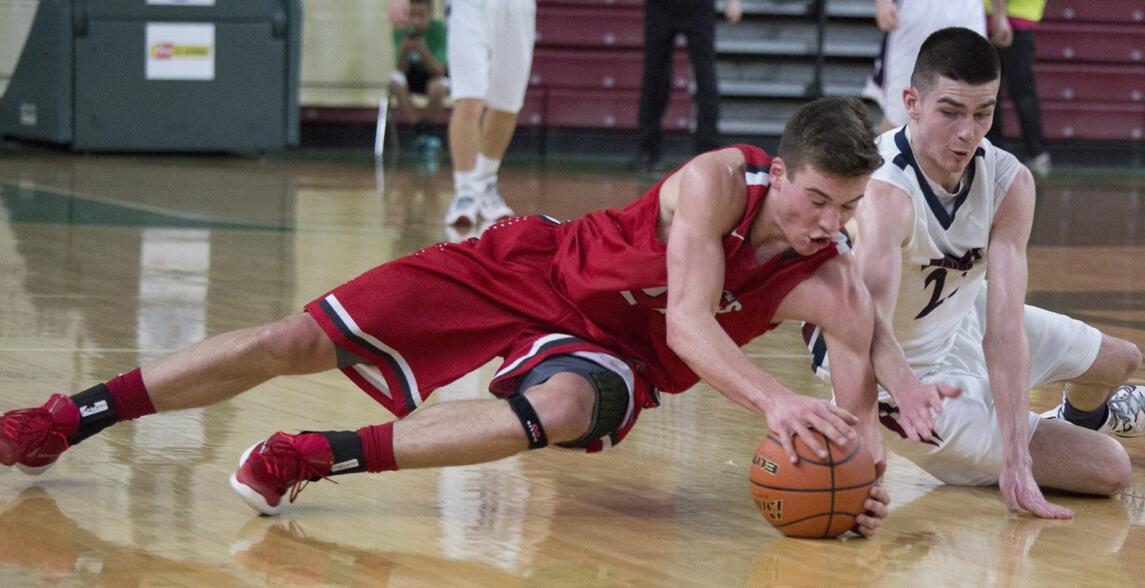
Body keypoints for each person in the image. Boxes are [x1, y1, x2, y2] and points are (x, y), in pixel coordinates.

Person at [0, 98, 943, 537]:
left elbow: (860, 362)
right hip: (526, 266)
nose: (825, 223)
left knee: (566, 407)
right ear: (778, 171)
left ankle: (311, 455)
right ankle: (66, 420)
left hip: (615, 352)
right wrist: (777, 402)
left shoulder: (829, 273)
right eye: (814, 199)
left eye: (843, 210)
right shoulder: (712, 184)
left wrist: (855, 470)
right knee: (293, 338)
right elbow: (696, 322)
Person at [803, 28, 1145, 518]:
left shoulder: (1008, 181)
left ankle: (1081, 416)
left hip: (958, 315)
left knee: (1122, 358)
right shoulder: (884, 194)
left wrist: (1018, 456)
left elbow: (1005, 330)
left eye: (984, 113)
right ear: (911, 102)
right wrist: (864, 449)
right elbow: (862, 335)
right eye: (950, 112)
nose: (967, 132)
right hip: (900, 374)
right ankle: (1017, 432)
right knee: (1109, 469)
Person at [439, 0, 535, 225]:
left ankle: (484, 183)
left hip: (517, 7)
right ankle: (465, 191)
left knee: (507, 104)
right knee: (468, 97)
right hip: (469, 7)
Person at [632, 0, 742, 172]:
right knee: (655, 76)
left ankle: (708, 151)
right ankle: (648, 150)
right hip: (661, 6)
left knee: (705, 76)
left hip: (697, 6)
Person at [874, 0, 1001, 130]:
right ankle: (887, 150)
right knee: (900, 110)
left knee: (974, 101)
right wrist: (883, 3)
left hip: (968, 13)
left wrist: (999, 14)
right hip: (916, 17)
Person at [985, 0, 1051, 177]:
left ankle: (998, 151)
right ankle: (996, 151)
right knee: (997, 90)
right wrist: (1000, 15)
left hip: (1012, 18)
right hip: (1003, 18)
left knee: (1008, 90)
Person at [387, 0, 449, 165]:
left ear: (430, 12)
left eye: (420, 16)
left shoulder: (439, 30)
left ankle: (428, 130)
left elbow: (439, 70)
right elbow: (400, 69)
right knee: (394, 82)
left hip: (432, 75)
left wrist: (424, 52)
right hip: (411, 76)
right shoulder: (401, 30)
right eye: (411, 16)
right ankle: (418, 128)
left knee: (437, 87)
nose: (415, 21)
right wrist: (404, 51)